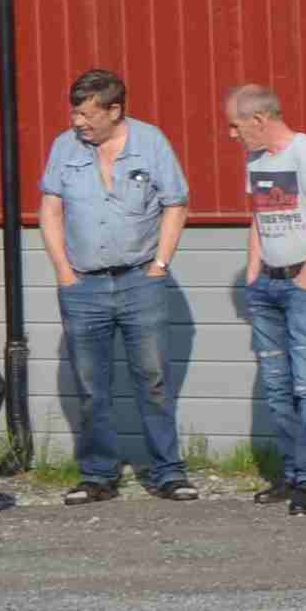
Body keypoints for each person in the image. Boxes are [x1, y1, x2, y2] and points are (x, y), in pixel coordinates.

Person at [31, 69, 195, 504]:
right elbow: (50, 210)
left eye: (87, 114)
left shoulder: (151, 143)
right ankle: (98, 475)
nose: (78, 122)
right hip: (83, 286)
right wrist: (63, 272)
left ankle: (168, 472)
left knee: (153, 380)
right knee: (91, 387)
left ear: (114, 110)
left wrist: (160, 265)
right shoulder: (64, 148)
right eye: (75, 113)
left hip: (141, 281)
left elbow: (176, 204)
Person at [225, 84, 306, 515]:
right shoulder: (256, 159)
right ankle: (291, 474)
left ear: (259, 120)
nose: (232, 134)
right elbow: (259, 216)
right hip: (266, 287)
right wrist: (253, 273)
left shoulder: (304, 151)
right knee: (276, 387)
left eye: (235, 125)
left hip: (301, 286)